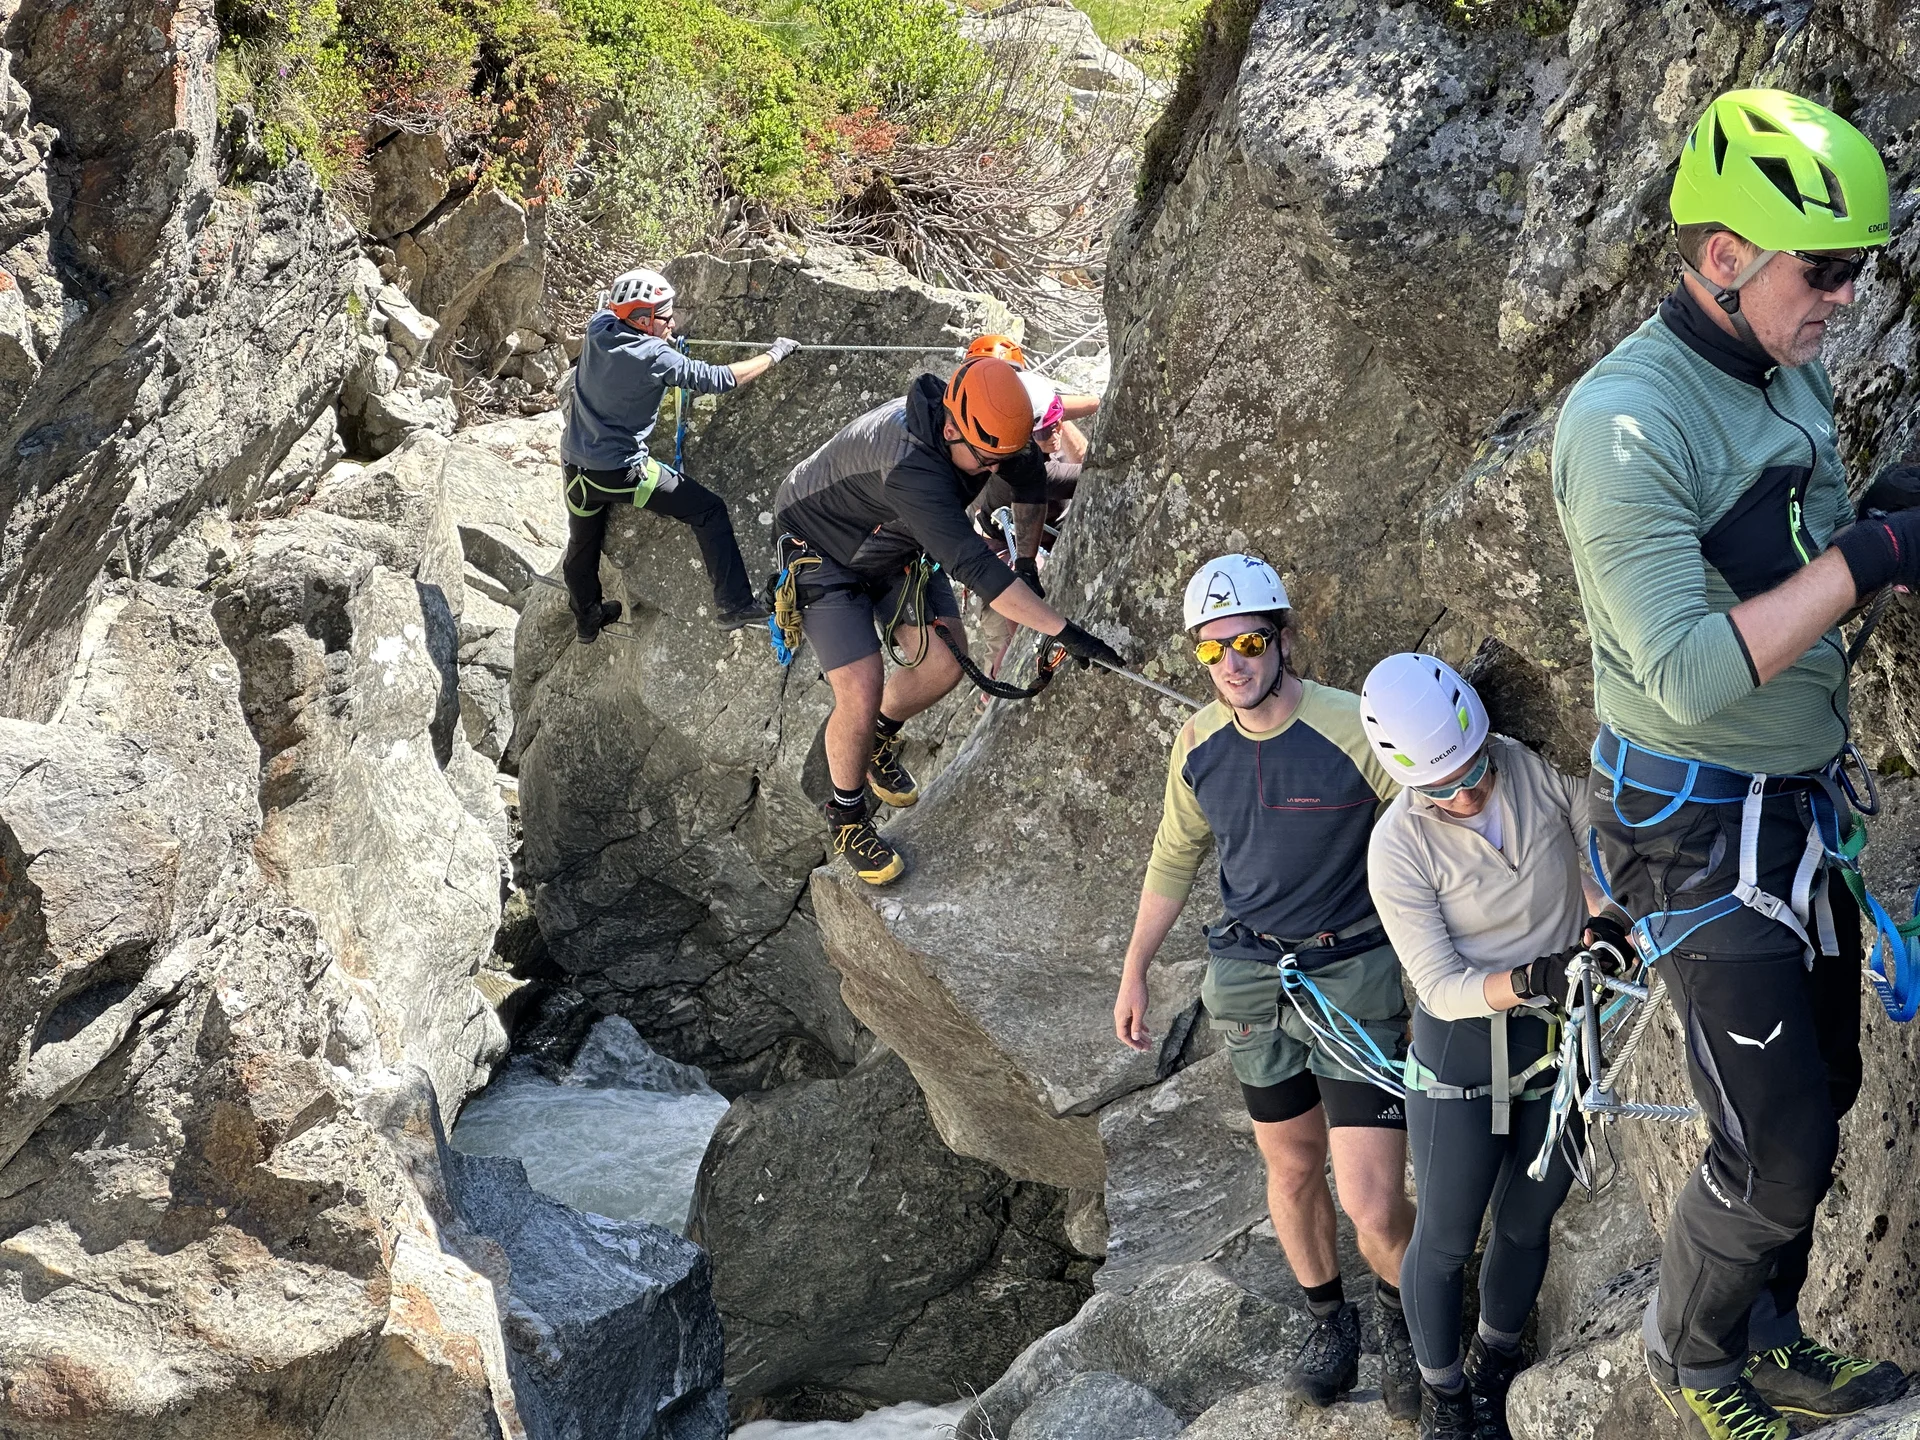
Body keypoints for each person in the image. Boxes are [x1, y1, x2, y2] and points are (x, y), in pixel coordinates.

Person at [1552, 88, 1916, 1440]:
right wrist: (1875, 556)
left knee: (1826, 1098)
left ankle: (1772, 1337)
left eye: (1862, 267)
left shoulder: (1780, 364)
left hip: (1793, 805)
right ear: (1723, 255)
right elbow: (1694, 671)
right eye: (1824, 270)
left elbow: (1795, 539)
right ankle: (1693, 1359)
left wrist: (1883, 511)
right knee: (1773, 1150)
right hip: (1695, 830)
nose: (1847, 298)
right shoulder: (1624, 427)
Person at [1112, 554, 1419, 1421]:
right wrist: (1135, 970)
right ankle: (1330, 1322)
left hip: (1352, 975)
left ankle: (1406, 1325)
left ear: (1284, 639)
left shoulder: (1352, 727)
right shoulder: (1197, 745)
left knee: (1370, 1199)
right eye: (1211, 651)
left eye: (1247, 643)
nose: (1231, 664)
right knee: (1290, 1167)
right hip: (1251, 980)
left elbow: (1433, 820)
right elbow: (1175, 855)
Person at [1362, 654, 1626, 1439]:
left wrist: (1606, 920)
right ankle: (1442, 1395)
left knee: (1527, 1220)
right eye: (1441, 789)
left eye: (1474, 771)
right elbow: (1438, 984)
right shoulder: (1398, 847)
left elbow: (1601, 841)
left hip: (1560, 1037)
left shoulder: (1533, 768)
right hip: (1463, 1052)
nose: (1466, 795)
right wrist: (1536, 977)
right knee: (1445, 1239)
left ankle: (1495, 1363)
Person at [772, 355, 1124, 884]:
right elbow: (976, 568)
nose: (992, 471)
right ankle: (846, 816)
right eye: (984, 461)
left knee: (944, 665)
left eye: (999, 459)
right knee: (861, 687)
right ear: (953, 429)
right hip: (819, 546)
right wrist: (1066, 632)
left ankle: (878, 738)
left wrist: (1027, 564)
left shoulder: (991, 427)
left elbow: (1031, 482)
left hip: (894, 537)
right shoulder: (911, 465)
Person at [560, 267, 795, 642]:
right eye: (666, 317)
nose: (673, 323)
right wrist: (774, 354)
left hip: (577, 470)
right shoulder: (656, 356)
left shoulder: (599, 327)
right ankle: (734, 605)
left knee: (581, 543)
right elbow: (720, 379)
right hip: (623, 474)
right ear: (643, 320)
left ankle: (587, 618)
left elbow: (614, 315)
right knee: (709, 510)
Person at [968, 371, 1088, 679]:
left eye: (1056, 422)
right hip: (1000, 551)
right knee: (1010, 635)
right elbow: (1093, 471)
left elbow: (1058, 414)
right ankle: (997, 686)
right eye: (1045, 430)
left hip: (1029, 538)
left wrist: (1059, 411)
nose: (1055, 432)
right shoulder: (1033, 471)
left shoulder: (1033, 438)